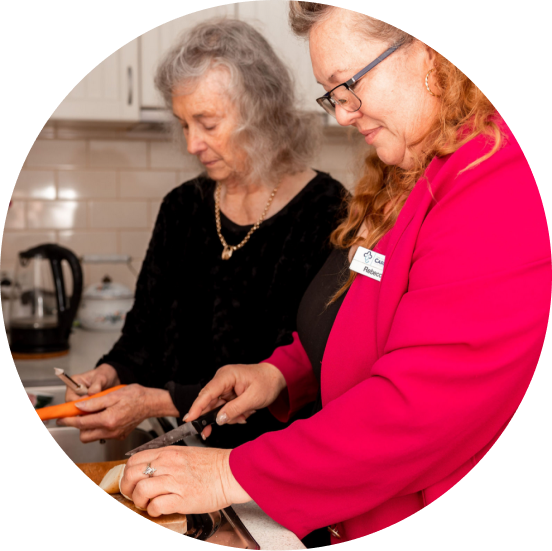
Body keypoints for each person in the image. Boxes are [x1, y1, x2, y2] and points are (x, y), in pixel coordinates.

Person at [119, 4, 552, 545]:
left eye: (348, 85)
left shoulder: (500, 178)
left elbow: (417, 411)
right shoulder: (411, 175)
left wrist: (230, 472)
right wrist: (283, 373)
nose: (342, 114)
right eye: (333, 94)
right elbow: (366, 312)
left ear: (428, 54)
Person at [59, 18, 347, 450]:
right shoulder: (182, 207)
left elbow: (300, 368)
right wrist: (110, 372)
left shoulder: (326, 209)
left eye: (207, 123)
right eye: (183, 124)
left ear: (261, 114)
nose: (192, 144)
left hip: (272, 459)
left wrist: (155, 402)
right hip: (179, 447)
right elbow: (144, 334)